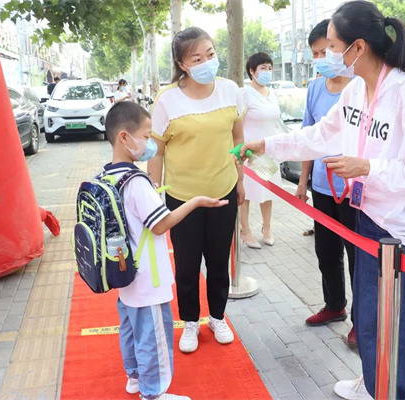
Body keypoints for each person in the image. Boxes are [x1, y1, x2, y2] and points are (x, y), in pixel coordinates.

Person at [240, 2, 405, 399]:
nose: (328, 55)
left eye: (332, 46)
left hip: (400, 231)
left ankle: (396, 391)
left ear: (358, 47)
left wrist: (366, 167)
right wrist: (266, 144)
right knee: (367, 317)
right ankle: (373, 382)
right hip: (366, 216)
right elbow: (318, 135)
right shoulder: (356, 90)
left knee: (396, 322)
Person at [104, 101, 228, 400]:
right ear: (125, 137)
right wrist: (196, 201)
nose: (150, 143)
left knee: (131, 330)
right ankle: (154, 393)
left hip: (124, 274)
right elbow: (161, 224)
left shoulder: (108, 175)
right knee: (154, 337)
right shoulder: (136, 182)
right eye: (146, 136)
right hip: (149, 277)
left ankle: (134, 378)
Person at [148, 27, 245, 354]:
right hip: (182, 198)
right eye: (197, 58)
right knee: (187, 265)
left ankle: (217, 317)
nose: (207, 62)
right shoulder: (167, 100)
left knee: (219, 262)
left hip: (223, 190)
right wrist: (153, 197)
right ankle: (190, 321)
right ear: (182, 64)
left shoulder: (231, 90)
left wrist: (241, 180)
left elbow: (237, 140)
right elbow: (156, 152)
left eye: (210, 54)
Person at [295, 20, 359, 344]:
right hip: (322, 186)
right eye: (316, 52)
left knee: (356, 255)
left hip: (353, 190)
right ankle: (334, 305)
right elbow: (308, 139)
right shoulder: (315, 89)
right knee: (326, 250)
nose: (322, 57)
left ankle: (363, 322)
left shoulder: (360, 86)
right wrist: (303, 181)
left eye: (327, 49)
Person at [240, 52, 282, 249]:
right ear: (252, 71)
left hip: (269, 151)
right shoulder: (245, 94)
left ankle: (267, 228)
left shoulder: (272, 93)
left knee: (268, 192)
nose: (267, 72)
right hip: (249, 153)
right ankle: (245, 230)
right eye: (263, 68)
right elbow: (237, 124)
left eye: (269, 68)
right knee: (247, 192)